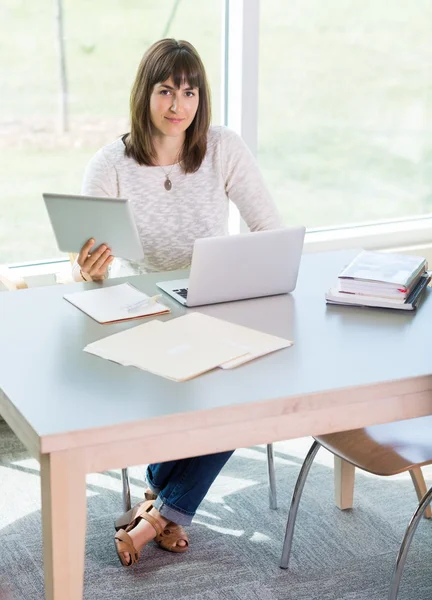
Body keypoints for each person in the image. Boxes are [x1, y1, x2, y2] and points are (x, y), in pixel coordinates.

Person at [72, 38, 283, 567]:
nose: (177, 106)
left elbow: (270, 230)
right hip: (145, 318)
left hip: (213, 309)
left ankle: (159, 511)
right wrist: (87, 272)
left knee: (239, 401)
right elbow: (84, 275)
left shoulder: (222, 147)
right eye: (166, 90)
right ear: (145, 95)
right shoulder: (110, 165)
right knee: (206, 400)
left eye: (190, 93)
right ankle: (166, 512)